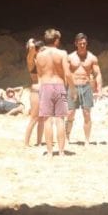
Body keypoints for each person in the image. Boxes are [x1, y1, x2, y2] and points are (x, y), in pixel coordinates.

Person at [35, 28, 73, 159]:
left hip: (45, 85)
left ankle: (50, 152)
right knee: (60, 119)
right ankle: (61, 152)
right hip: (59, 85)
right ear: (56, 40)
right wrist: (72, 88)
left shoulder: (39, 55)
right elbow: (67, 73)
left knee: (47, 120)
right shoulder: (62, 53)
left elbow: (39, 74)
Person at [65, 33, 102, 147]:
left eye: (84, 43)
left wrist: (99, 89)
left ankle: (87, 140)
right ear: (76, 43)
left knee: (86, 113)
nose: (82, 45)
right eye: (80, 43)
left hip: (86, 87)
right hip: (73, 87)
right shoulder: (70, 57)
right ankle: (67, 137)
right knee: (70, 113)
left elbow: (97, 74)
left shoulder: (92, 58)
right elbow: (66, 74)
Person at [24, 38, 45, 147]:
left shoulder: (44, 60)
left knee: (42, 118)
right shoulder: (31, 60)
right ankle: (26, 143)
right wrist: (31, 43)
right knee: (34, 117)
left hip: (45, 90)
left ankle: (39, 142)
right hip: (36, 91)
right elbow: (31, 49)